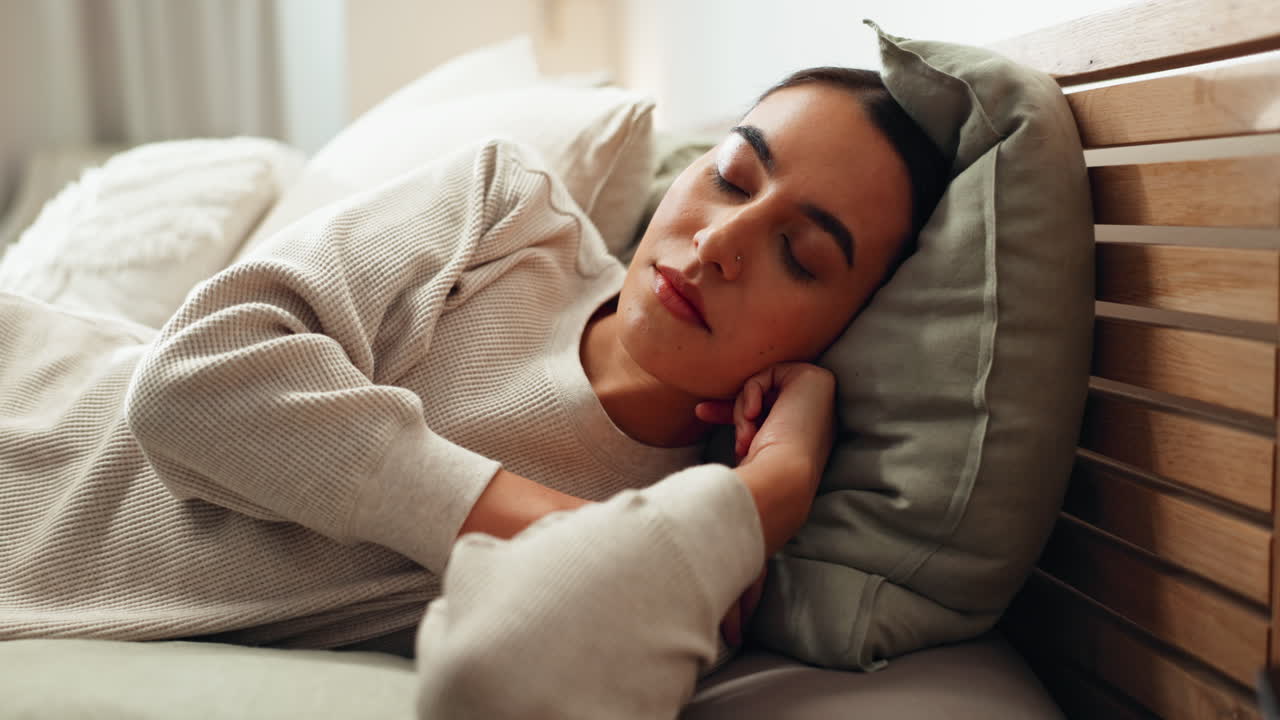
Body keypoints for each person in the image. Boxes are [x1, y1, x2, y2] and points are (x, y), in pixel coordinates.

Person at [0, 67, 947, 718]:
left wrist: (771, 486)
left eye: (801, 255)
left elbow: (502, 677)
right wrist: (539, 519)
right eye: (734, 176)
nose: (719, 243)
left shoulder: (679, 544)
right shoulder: (506, 210)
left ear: (848, 333)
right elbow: (190, 376)